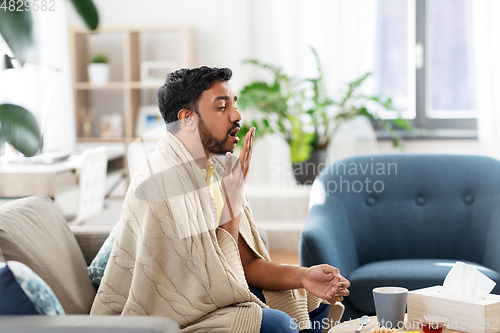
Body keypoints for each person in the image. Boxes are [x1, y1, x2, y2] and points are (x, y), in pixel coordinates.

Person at [90, 66, 350, 333]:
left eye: (233, 105)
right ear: (187, 119)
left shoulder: (215, 169)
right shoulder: (163, 183)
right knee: (277, 324)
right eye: (221, 107)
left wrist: (305, 276)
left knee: (314, 302)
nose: (236, 115)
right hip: (181, 312)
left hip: (219, 291)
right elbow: (204, 290)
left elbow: (245, 265)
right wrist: (232, 201)